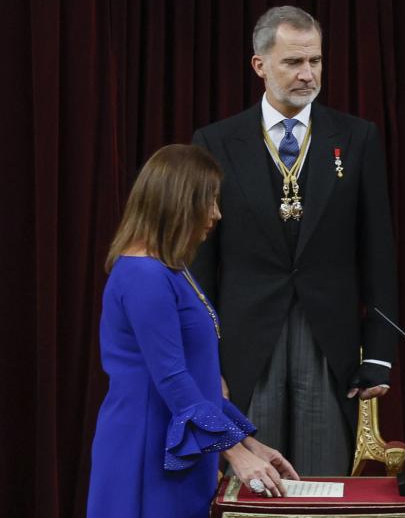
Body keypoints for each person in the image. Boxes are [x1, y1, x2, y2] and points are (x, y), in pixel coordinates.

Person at [190, 5, 398, 476]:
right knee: (255, 486)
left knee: (321, 480)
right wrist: (204, 357)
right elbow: (200, 262)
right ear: (260, 66)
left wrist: (380, 351)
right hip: (245, 342)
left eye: (316, 61)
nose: (308, 74)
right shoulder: (216, 141)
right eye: (293, 62)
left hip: (328, 339)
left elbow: (378, 252)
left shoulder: (357, 137)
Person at [87, 145, 299, 518]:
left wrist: (248, 443)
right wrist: (233, 453)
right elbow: (172, 379)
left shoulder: (172, 269)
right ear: (178, 203)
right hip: (147, 449)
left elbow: (200, 379)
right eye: (210, 202)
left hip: (185, 444)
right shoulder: (144, 276)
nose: (217, 214)